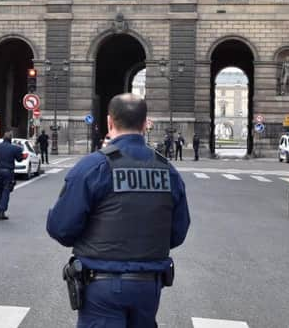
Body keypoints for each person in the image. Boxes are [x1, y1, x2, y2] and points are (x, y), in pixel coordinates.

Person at [47, 93, 190, 328]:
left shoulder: (94, 166)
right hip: (148, 285)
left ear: (109, 122)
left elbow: (61, 228)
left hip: (101, 285)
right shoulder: (168, 170)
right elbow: (178, 232)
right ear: (145, 124)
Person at [0, 131, 23, 220]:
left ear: (3, 138)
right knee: (6, 190)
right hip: (9, 171)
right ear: (11, 139)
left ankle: (0, 207)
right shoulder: (15, 148)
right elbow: (19, 159)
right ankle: (2, 210)